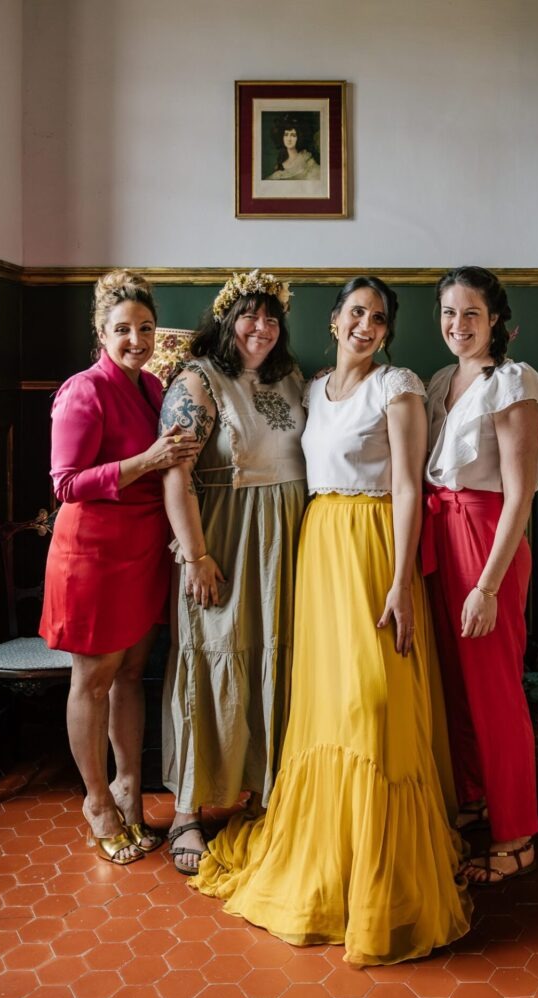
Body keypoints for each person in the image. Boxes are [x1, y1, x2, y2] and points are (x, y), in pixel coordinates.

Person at [192, 277, 472, 967]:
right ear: (334, 319)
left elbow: (408, 485)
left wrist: (402, 582)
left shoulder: (397, 385)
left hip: (375, 546)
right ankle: (328, 858)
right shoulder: (312, 390)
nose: (365, 325)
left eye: (378, 317)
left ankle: (385, 878)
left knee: (375, 702)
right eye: (355, 313)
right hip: (319, 546)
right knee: (323, 708)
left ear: (387, 329)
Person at [40, 270, 199, 864]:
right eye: (123, 329)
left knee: (132, 673)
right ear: (101, 332)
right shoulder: (83, 390)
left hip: (142, 550)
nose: (136, 338)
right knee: (94, 679)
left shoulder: (154, 388)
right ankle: (98, 802)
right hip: (94, 557)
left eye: (145, 328)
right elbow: (67, 484)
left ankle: (131, 789)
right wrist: (148, 460)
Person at [159, 270, 306, 876]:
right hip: (223, 534)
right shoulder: (199, 379)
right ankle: (187, 812)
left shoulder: (292, 380)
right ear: (226, 319)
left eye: (272, 318)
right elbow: (175, 473)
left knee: (275, 662)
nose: (261, 328)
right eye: (250, 316)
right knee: (212, 655)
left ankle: (264, 791)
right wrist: (195, 554)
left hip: (289, 539)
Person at [421, 265, 538, 885]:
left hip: (488, 539)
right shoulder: (441, 381)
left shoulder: (513, 383)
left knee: (495, 690)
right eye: (449, 313)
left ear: (496, 318)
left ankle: (516, 834)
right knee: (455, 682)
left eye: (471, 313)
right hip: (439, 531)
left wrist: (488, 585)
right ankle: (475, 797)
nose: (459, 325)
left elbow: (519, 496)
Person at [267, 115, 320, 181]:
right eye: (286, 135)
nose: (289, 139)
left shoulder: (307, 160)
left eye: (293, 135)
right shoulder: (282, 162)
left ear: (299, 137)